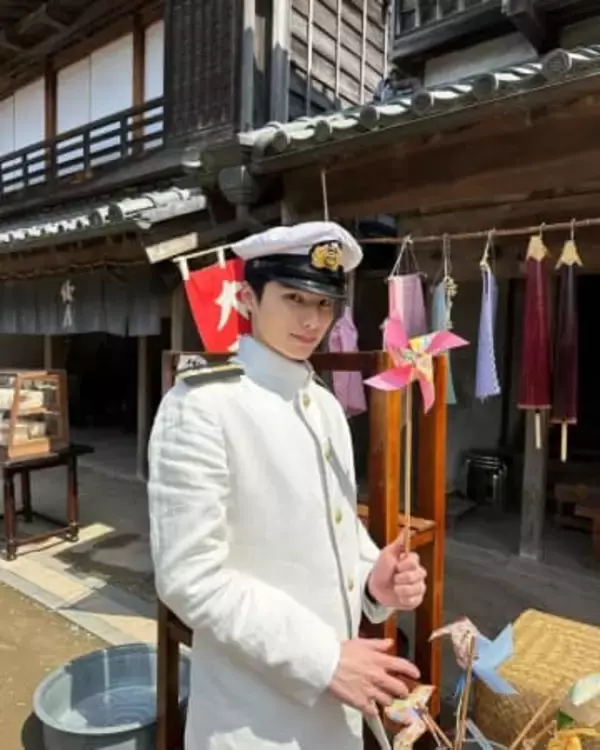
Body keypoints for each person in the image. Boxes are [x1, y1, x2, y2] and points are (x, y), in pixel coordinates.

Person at [148, 221, 428, 750]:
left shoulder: (325, 404)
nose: (311, 320)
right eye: (294, 298)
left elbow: (335, 531)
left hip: (337, 704)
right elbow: (189, 576)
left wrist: (374, 583)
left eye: (324, 304)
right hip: (253, 716)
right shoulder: (202, 405)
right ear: (248, 298)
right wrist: (322, 659)